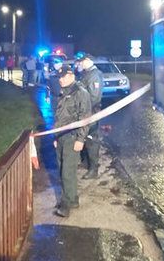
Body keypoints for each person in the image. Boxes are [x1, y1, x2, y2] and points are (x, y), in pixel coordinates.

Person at [53, 65, 92, 217]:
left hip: (72, 138)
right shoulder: (64, 92)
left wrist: (80, 139)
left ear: (71, 75)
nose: (60, 80)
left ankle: (66, 205)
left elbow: (85, 117)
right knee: (63, 168)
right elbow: (59, 116)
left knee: (67, 173)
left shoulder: (80, 93)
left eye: (62, 77)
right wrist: (55, 137)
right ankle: (73, 199)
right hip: (61, 136)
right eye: (59, 77)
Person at [75, 52, 104, 179]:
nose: (79, 63)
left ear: (88, 60)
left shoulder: (94, 75)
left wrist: (83, 110)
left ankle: (93, 169)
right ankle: (86, 162)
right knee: (85, 138)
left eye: (81, 61)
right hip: (85, 112)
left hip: (91, 113)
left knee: (92, 140)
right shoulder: (86, 74)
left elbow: (94, 97)